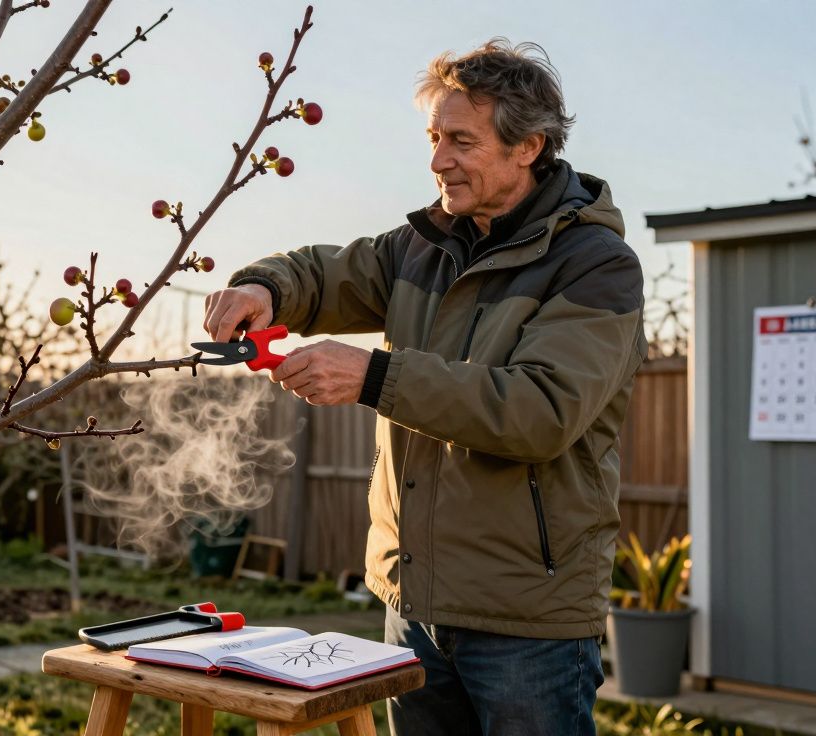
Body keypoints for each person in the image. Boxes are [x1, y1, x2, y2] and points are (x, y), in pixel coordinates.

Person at [202, 38, 646, 735]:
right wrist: (266, 285)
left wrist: (375, 377)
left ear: (528, 146)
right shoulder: (423, 246)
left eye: (461, 141)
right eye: (435, 137)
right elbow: (326, 273)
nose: (438, 159)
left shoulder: (596, 266)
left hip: (526, 619)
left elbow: (539, 412)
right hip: (412, 606)